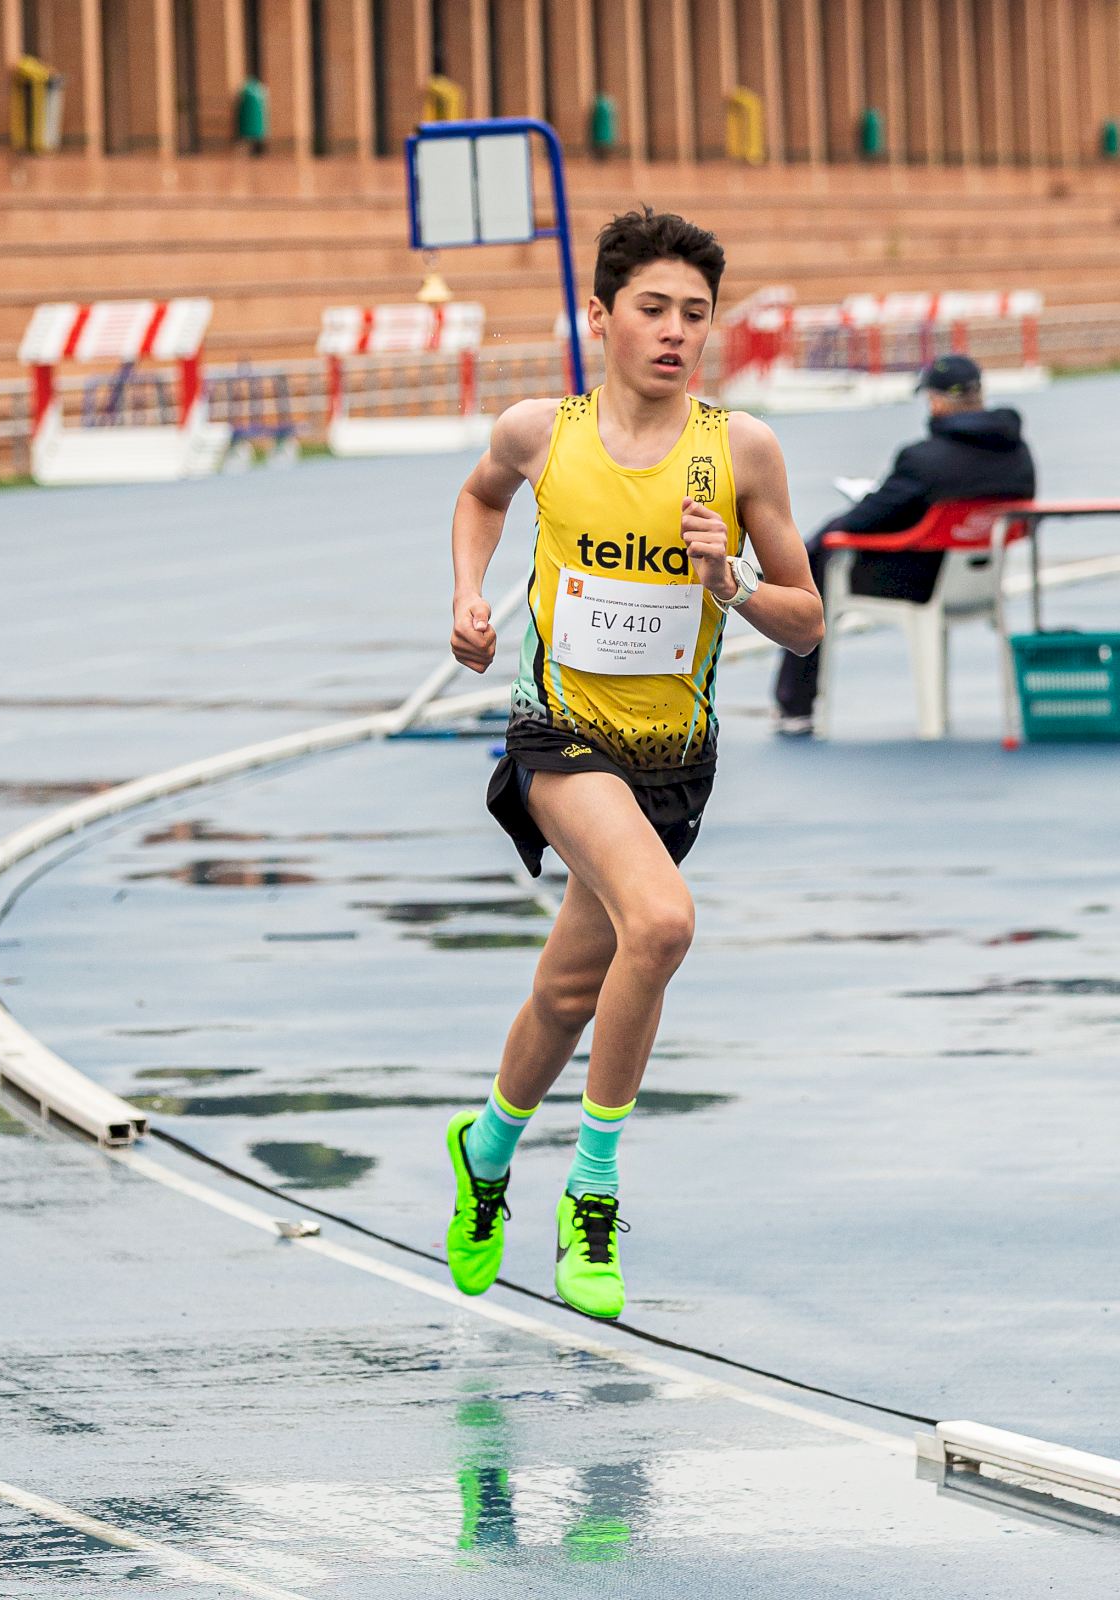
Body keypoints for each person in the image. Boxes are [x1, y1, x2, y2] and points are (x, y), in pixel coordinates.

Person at [444, 208, 823, 1320]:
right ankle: (594, 1190)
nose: (674, 332)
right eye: (652, 309)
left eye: (695, 314)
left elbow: (807, 623)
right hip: (560, 736)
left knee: (572, 989)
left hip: (673, 762)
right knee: (660, 924)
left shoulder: (741, 450)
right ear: (600, 316)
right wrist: (468, 597)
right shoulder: (540, 432)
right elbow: (480, 496)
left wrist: (731, 581)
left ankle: (485, 1148)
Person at [773, 353, 1037, 735]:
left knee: (821, 558)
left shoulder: (923, 460)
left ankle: (795, 707)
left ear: (936, 401)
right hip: (986, 581)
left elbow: (862, 520)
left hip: (918, 582)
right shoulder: (1018, 454)